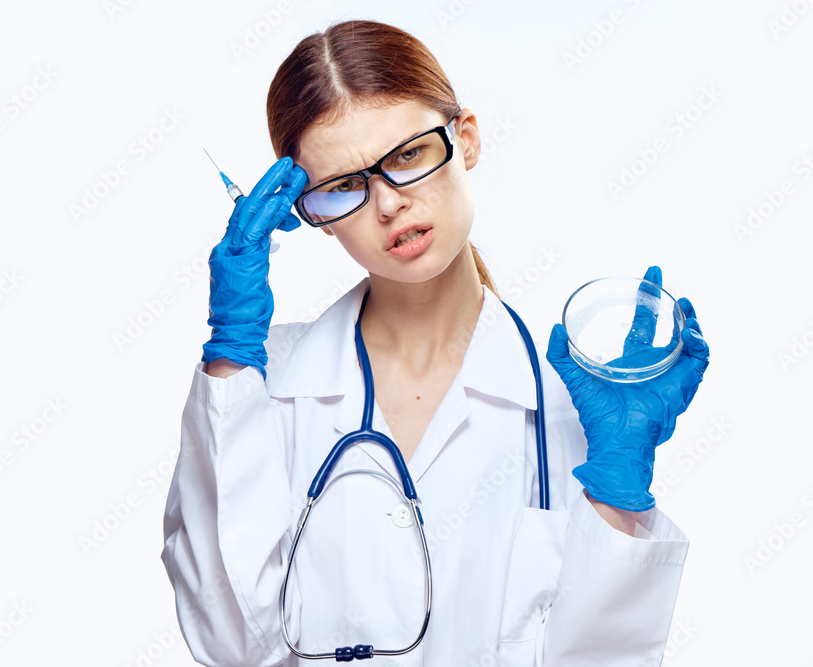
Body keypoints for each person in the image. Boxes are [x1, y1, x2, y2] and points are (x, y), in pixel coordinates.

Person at [161, 19, 709, 667]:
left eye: (407, 155)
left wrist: (617, 489)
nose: (388, 203)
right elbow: (231, 645)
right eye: (343, 186)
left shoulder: (576, 404)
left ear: (466, 139)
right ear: (310, 214)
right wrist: (231, 354)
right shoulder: (261, 387)